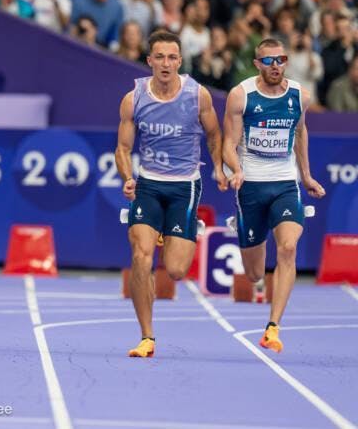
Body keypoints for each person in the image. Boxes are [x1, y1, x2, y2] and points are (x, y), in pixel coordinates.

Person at [115, 29, 227, 358]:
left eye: (172, 57)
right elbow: (122, 147)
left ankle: (183, 229)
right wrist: (127, 177)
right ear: (149, 60)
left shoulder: (197, 95)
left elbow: (214, 134)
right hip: (148, 185)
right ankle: (147, 336)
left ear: (180, 60)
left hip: (184, 186)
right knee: (141, 256)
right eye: (160, 57)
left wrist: (219, 168)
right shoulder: (134, 98)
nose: (166, 63)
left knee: (176, 270)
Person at [222, 38, 326, 353]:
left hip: (284, 184)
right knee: (255, 272)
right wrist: (235, 169)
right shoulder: (241, 97)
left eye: (280, 59)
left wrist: (306, 175)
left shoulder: (299, 96)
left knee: (288, 248)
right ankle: (243, 226)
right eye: (268, 61)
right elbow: (228, 142)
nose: (275, 65)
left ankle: (273, 327)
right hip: (250, 186)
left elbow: (299, 131)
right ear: (257, 64)